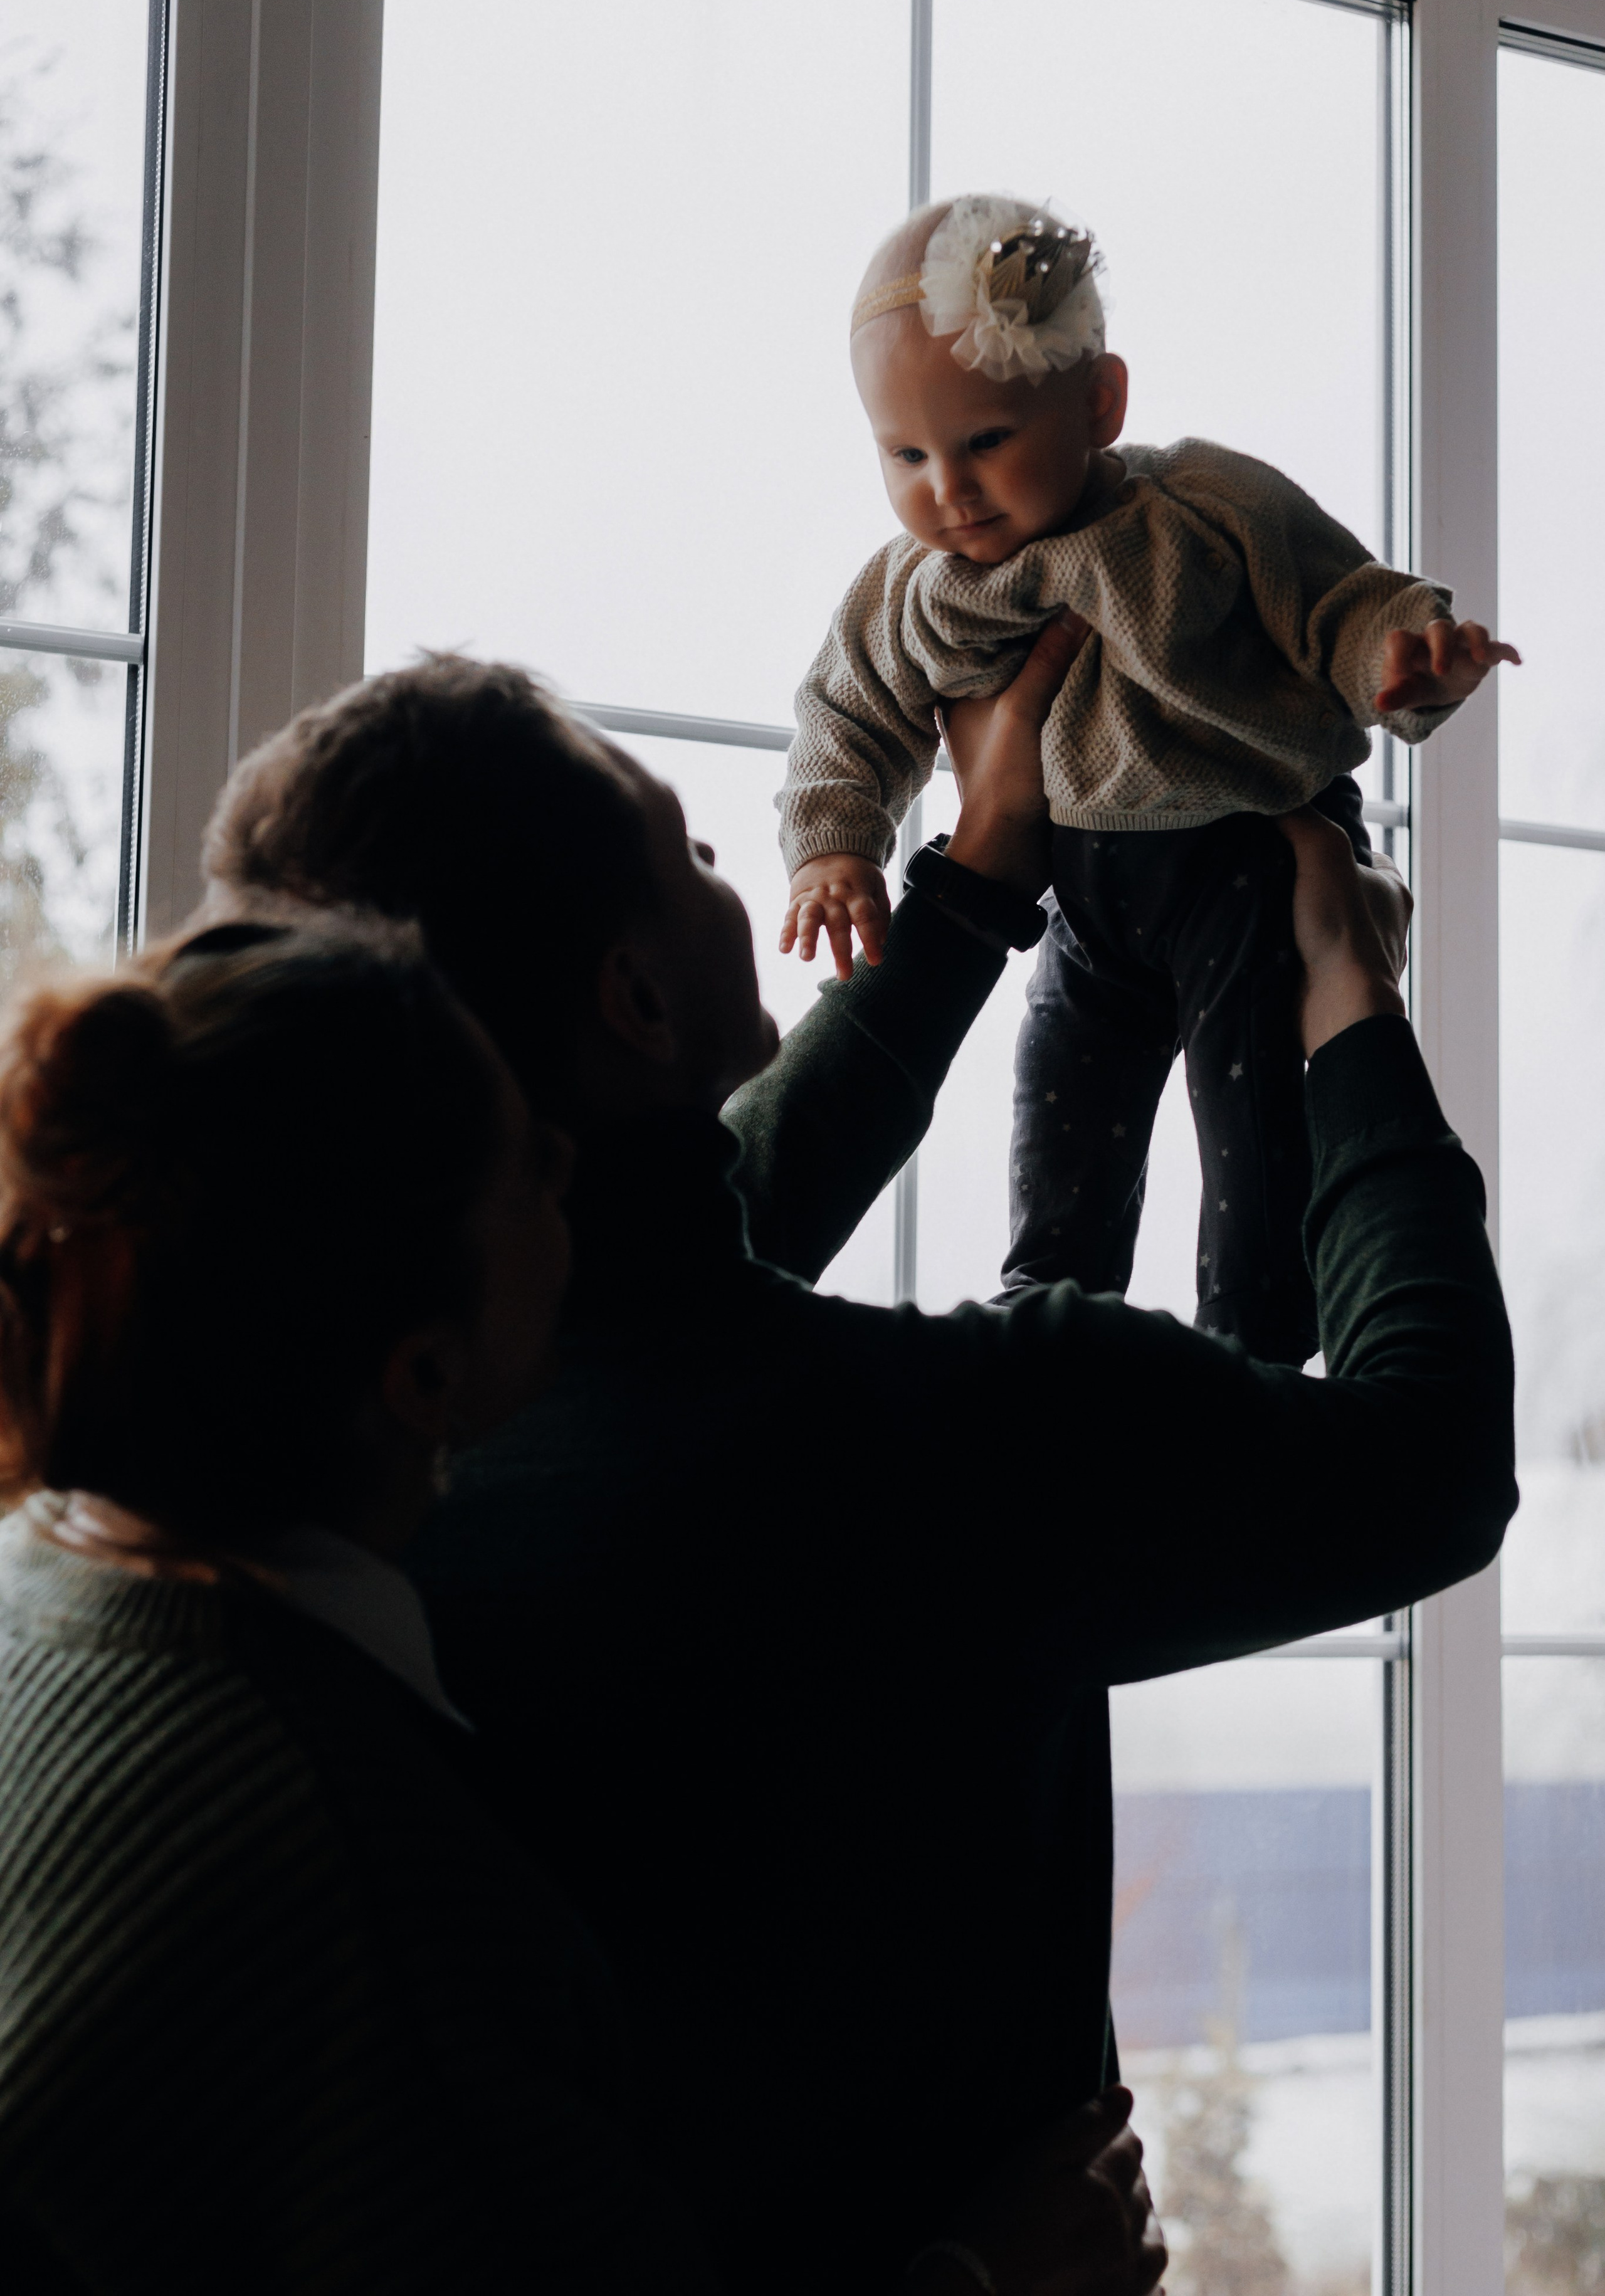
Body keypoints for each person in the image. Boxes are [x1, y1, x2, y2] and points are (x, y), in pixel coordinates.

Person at [199, 639, 1515, 2296]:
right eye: (684, 848)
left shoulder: (377, 1456)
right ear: (636, 999)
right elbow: (1436, 1455)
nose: (716, 864)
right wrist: (1350, 999)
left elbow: (691, 1233)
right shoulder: (968, 1444)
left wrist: (974, 881)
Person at [0, 915, 1166, 2296]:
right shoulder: (368, 1876)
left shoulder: (62, 1592)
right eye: (528, 1167)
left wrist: (963, 904)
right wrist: (977, 2281)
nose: (577, 1166)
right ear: (427, 1378)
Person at [778, 194, 1520, 1359]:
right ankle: (1049, 1324)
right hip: (1083, 906)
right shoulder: (910, 589)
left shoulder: (1201, 509)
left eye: (985, 443)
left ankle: (1256, 1347)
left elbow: (1339, 598)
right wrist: (835, 847)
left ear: (1099, 404)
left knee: (1257, 1127)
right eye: (906, 455)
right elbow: (845, 713)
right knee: (1065, 1117)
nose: (949, 491)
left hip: (1245, 865)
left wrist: (1403, 656)